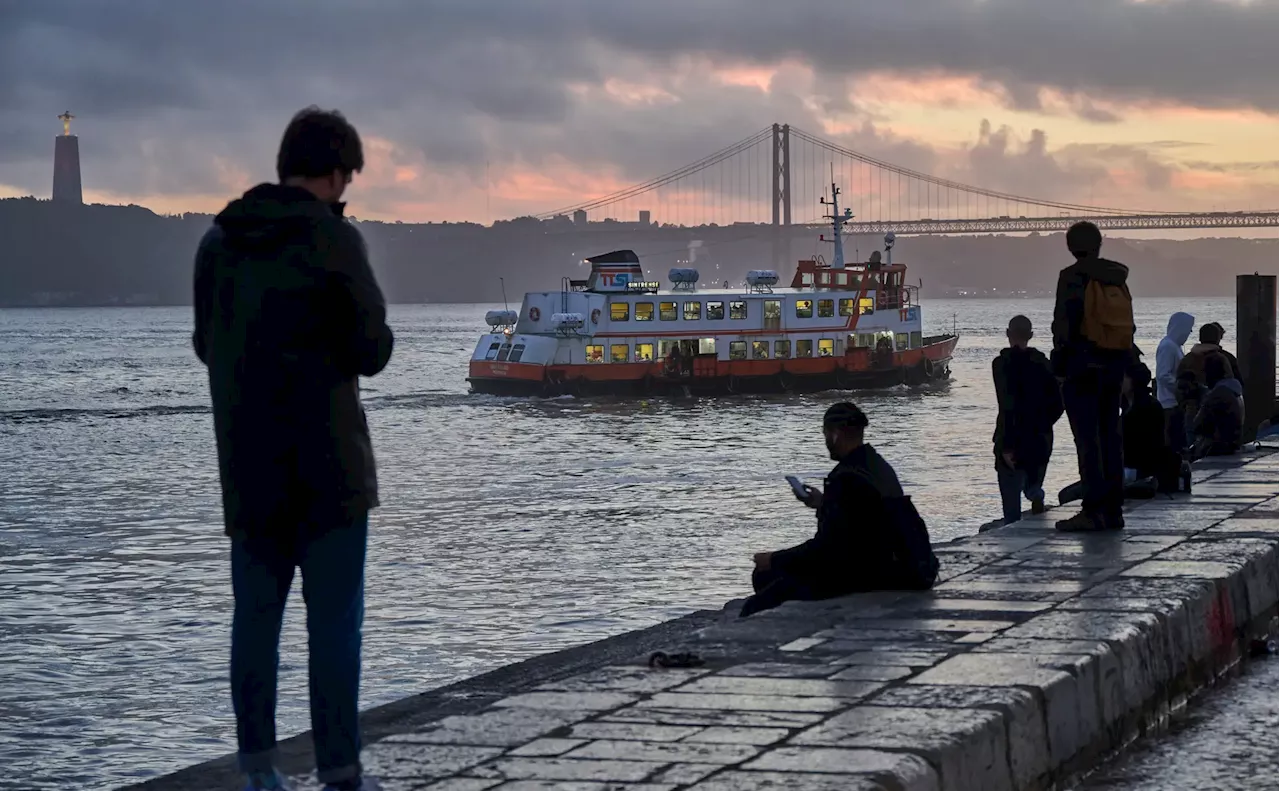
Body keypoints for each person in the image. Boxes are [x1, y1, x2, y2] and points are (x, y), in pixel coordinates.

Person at [193, 107, 393, 791]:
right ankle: (339, 769)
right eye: (347, 182)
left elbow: (204, 345)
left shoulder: (217, 243)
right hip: (330, 469)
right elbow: (374, 349)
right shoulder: (335, 240)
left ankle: (258, 771)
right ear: (337, 173)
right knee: (333, 628)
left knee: (255, 625)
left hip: (248, 467)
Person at [742, 403, 938, 618]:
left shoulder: (846, 478)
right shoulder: (874, 465)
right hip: (904, 565)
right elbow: (860, 517)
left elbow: (828, 548)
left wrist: (774, 558)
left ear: (835, 435)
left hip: (874, 571)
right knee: (769, 576)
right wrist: (823, 503)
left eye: (825, 433)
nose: (825, 440)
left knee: (761, 591)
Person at [1050, 221, 1135, 532]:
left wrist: (1059, 366)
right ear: (1100, 244)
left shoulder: (1071, 277)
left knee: (1087, 441)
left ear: (1071, 247)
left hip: (1082, 368)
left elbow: (1064, 326)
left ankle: (1092, 510)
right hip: (1113, 366)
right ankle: (1114, 511)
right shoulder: (1118, 277)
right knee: (1111, 438)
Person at [992, 315, 1063, 523]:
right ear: (1031, 335)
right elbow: (1059, 403)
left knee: (1011, 499)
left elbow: (1006, 404)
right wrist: (1044, 424)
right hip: (1040, 437)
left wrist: (1005, 445)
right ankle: (1036, 495)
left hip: (1013, 437)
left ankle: (1013, 528)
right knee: (1032, 483)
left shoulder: (1001, 365)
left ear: (1007, 334)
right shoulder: (1044, 364)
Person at [1121, 362, 1185, 492]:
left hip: (1140, 469)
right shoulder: (1142, 404)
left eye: (1124, 377)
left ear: (1133, 381)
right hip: (1143, 466)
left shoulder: (1141, 409)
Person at [1192, 353, 1245, 458]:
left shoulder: (1217, 395)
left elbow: (1197, 424)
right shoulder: (1235, 390)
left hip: (1216, 448)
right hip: (1233, 444)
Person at [1156, 312, 1195, 451]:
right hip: (1169, 403)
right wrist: (1179, 388)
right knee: (1173, 441)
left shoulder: (1174, 346)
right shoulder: (1167, 347)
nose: (1189, 333)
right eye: (1188, 330)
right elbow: (1162, 375)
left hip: (1176, 402)